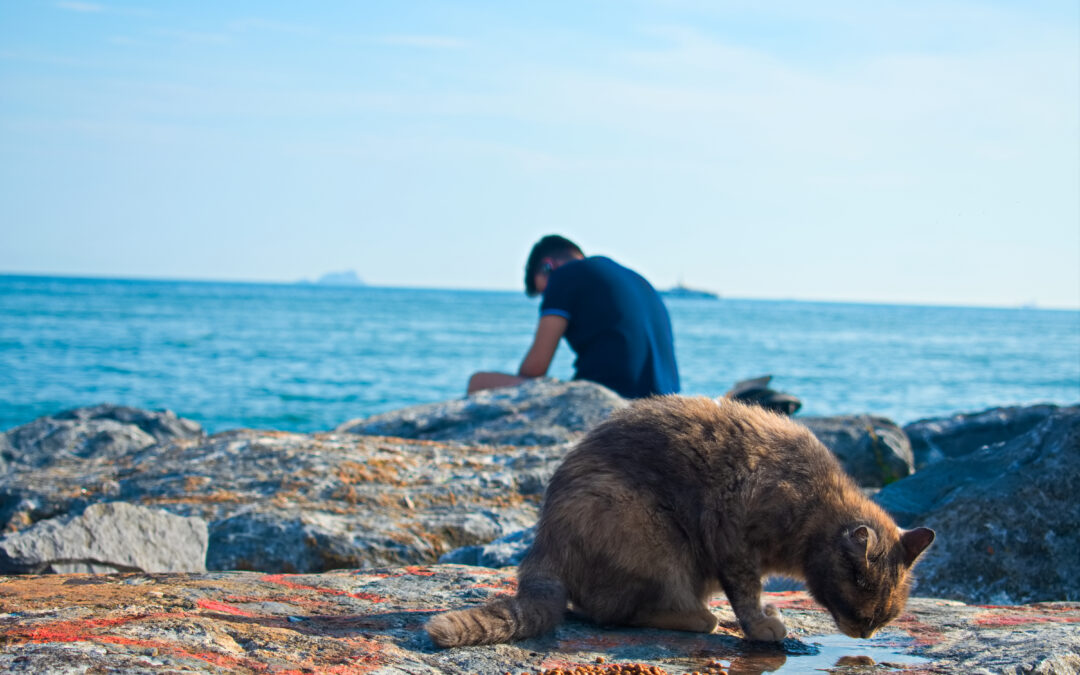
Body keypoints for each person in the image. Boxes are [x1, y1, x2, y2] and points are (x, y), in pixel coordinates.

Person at [467, 235, 680, 398]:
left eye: (544, 294)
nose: (546, 299)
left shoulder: (565, 275)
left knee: (478, 382)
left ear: (548, 266)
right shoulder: (639, 280)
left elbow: (534, 369)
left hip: (611, 398)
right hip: (663, 403)